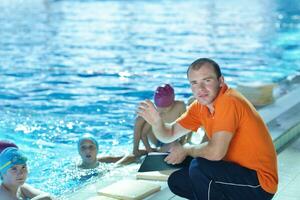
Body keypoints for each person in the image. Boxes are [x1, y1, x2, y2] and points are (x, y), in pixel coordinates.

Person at [137, 58, 278, 200]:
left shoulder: (228, 101)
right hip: (235, 174)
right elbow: (170, 133)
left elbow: (216, 153)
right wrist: (157, 123)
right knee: (178, 181)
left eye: (207, 80)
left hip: (260, 183)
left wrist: (186, 149)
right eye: (194, 83)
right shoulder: (200, 106)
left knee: (199, 167)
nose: (201, 88)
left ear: (220, 81)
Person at [133, 84, 188, 157]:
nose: (163, 110)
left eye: (166, 108)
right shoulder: (155, 113)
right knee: (139, 118)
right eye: (160, 108)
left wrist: (183, 142)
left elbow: (187, 124)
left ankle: (158, 151)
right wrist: (149, 150)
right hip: (157, 139)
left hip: (172, 138)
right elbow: (143, 134)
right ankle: (136, 150)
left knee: (175, 145)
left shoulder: (180, 106)